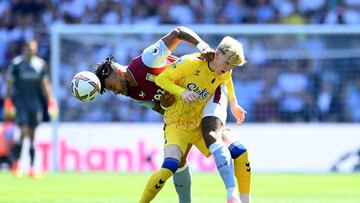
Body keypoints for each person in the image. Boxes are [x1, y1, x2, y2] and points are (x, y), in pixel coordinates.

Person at [94, 28, 251, 203]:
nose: (115, 92)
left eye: (111, 86)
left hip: (206, 91)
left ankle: (235, 195)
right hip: (183, 110)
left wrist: (202, 46)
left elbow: (178, 32)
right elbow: (161, 108)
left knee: (222, 141)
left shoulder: (146, 60)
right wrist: (166, 103)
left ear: (117, 71)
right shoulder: (132, 93)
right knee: (178, 163)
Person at [139, 36, 250, 203]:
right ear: (217, 54)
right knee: (169, 167)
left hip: (200, 123)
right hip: (177, 125)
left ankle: (237, 197)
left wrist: (234, 104)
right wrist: (181, 92)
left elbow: (227, 81)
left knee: (240, 151)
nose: (229, 69)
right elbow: (161, 79)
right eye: (228, 64)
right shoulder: (189, 62)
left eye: (232, 66)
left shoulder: (224, 70)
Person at [4, 39, 58, 179]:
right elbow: (10, 84)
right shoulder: (16, 64)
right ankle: (16, 164)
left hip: (35, 104)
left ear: (36, 49)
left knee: (32, 136)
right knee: (23, 131)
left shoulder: (40, 65)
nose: (30, 50)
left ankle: (32, 168)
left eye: (33, 48)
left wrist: (51, 101)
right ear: (24, 49)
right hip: (20, 104)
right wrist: (8, 101)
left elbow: (44, 85)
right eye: (28, 47)